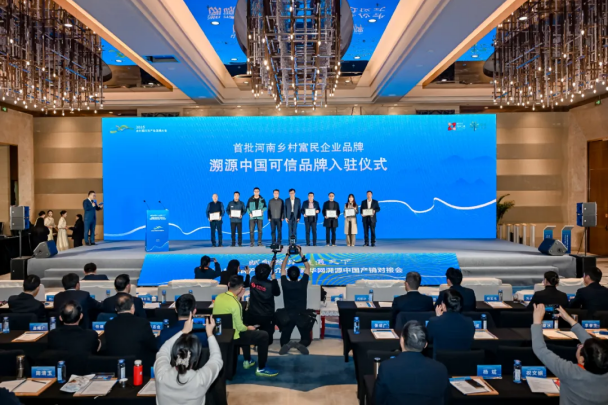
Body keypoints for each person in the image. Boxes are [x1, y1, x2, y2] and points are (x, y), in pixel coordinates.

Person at [532, 304, 608, 404]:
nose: (580, 345)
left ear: (582, 360)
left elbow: (540, 349)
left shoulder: (570, 372)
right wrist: (570, 320)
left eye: (581, 347)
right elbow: (593, 347)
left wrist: (537, 322)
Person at [213, 275, 279, 377]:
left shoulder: (218, 297)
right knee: (263, 335)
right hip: (234, 336)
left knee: (246, 328)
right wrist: (249, 328)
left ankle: (247, 360)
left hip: (220, 333)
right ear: (240, 288)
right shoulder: (236, 304)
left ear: (229, 284)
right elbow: (240, 327)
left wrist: (239, 297)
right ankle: (261, 368)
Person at [374, 321, 449, 405]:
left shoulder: (386, 368)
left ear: (402, 341)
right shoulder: (441, 369)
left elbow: (377, 401)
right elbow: (446, 401)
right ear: (425, 345)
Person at [155, 314, 222, 405]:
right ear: (196, 358)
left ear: (174, 353)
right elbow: (217, 359)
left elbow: (163, 349)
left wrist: (183, 331)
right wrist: (210, 334)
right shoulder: (200, 380)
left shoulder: (161, 375)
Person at [104, 293, 157, 365]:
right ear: (133, 307)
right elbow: (153, 345)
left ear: (116, 309)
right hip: (138, 365)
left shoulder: (108, 325)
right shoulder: (142, 323)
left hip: (114, 365)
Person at [278, 245, 312, 355]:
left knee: (283, 340)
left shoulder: (285, 284)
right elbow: (307, 268)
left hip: (288, 315)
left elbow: (282, 268)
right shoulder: (303, 284)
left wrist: (287, 254)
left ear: (288, 275)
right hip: (301, 315)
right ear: (299, 275)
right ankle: (299, 344)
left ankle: (288, 344)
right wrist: (301, 253)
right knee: (306, 339)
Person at [426, 289, 475, 354]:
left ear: (443, 306)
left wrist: (438, 318)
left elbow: (429, 339)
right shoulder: (469, 322)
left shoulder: (434, 322)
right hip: (463, 359)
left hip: (440, 359)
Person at [247, 261, 281, 345]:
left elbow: (261, 275)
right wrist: (274, 279)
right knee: (268, 339)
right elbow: (277, 293)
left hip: (253, 313)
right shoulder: (271, 284)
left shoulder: (253, 279)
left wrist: (269, 267)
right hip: (267, 315)